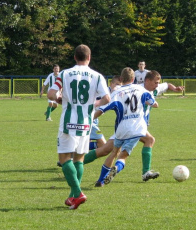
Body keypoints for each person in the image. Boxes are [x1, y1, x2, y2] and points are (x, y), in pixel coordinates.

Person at [47, 44, 110, 210]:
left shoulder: (65, 73)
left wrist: (59, 98)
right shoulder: (97, 76)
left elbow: (51, 94)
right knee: (79, 159)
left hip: (68, 122)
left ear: (75, 57)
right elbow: (107, 98)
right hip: (86, 122)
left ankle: (78, 192)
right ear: (89, 58)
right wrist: (94, 103)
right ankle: (73, 197)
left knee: (64, 159)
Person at [91, 67, 157, 187]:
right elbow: (154, 103)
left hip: (121, 129)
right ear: (133, 78)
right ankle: (117, 167)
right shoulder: (140, 89)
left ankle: (100, 181)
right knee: (123, 155)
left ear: (121, 79)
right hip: (137, 128)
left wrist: (90, 120)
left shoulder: (116, 93)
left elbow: (102, 109)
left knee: (113, 153)